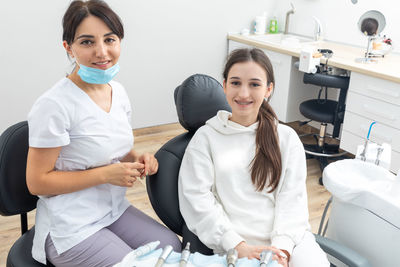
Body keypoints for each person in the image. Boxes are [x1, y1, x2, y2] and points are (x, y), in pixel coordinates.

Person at [26, 1, 181, 266]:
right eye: (87, 42)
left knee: (172, 247)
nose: (102, 52)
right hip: (70, 226)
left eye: (110, 39)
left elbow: (115, 149)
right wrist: (105, 175)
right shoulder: (53, 105)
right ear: (69, 48)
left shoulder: (117, 91)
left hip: (112, 211)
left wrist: (138, 158)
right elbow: (37, 182)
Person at [178, 48, 330, 267]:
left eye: (255, 84)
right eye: (236, 83)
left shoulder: (286, 138)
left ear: (269, 89)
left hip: (291, 241)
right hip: (239, 246)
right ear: (224, 86)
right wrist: (237, 245)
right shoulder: (206, 138)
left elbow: (292, 201)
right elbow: (197, 200)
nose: (243, 94)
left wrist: (283, 251)